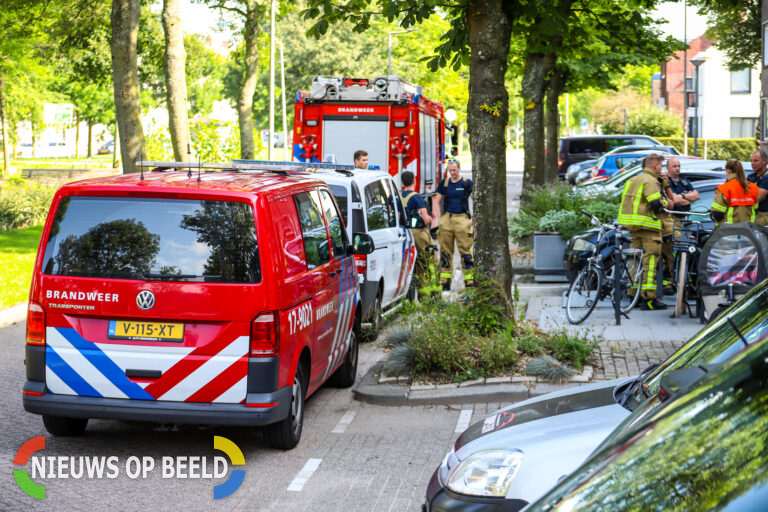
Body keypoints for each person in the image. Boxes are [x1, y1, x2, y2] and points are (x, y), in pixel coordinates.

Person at [618, 153, 669, 310]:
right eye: (661, 165)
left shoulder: (633, 179)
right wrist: (665, 202)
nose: (662, 169)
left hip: (631, 227)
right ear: (654, 166)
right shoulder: (651, 181)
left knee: (634, 260)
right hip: (648, 227)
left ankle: (633, 294)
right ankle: (649, 299)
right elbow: (655, 204)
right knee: (651, 260)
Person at [433, 159, 473, 291]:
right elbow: (436, 200)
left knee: (465, 252)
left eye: (454, 170)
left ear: (459, 168)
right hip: (447, 219)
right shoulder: (444, 183)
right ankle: (445, 282)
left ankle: (469, 281)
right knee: (445, 252)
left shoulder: (467, 183)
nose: (452, 173)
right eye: (450, 170)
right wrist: (439, 218)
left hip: (462, 219)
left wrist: (473, 220)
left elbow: (476, 200)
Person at [661, 157, 700, 291]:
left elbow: (696, 196)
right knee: (674, 250)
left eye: (678, 165)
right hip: (672, 219)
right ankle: (673, 280)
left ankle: (686, 282)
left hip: (685, 220)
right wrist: (685, 197)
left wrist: (680, 197)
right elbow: (672, 201)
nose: (677, 168)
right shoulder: (666, 182)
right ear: (667, 168)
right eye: (674, 166)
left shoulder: (684, 182)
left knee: (687, 250)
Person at [401, 171, 439, 298]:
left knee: (414, 266)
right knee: (431, 263)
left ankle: (418, 296)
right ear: (414, 181)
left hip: (403, 234)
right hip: (419, 234)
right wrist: (429, 217)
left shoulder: (397, 197)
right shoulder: (416, 197)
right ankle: (434, 295)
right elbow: (426, 218)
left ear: (402, 183)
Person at [710, 159, 759, 225]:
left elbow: (717, 214)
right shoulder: (753, 187)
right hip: (748, 231)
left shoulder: (724, 188)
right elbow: (756, 210)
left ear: (728, 171)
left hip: (729, 232)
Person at [747, 150, 768, 225]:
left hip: (764, 217)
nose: (752, 163)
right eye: (751, 161)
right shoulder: (751, 177)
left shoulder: (766, 177)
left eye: (756, 161)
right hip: (753, 215)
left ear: (764, 161)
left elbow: (757, 198)